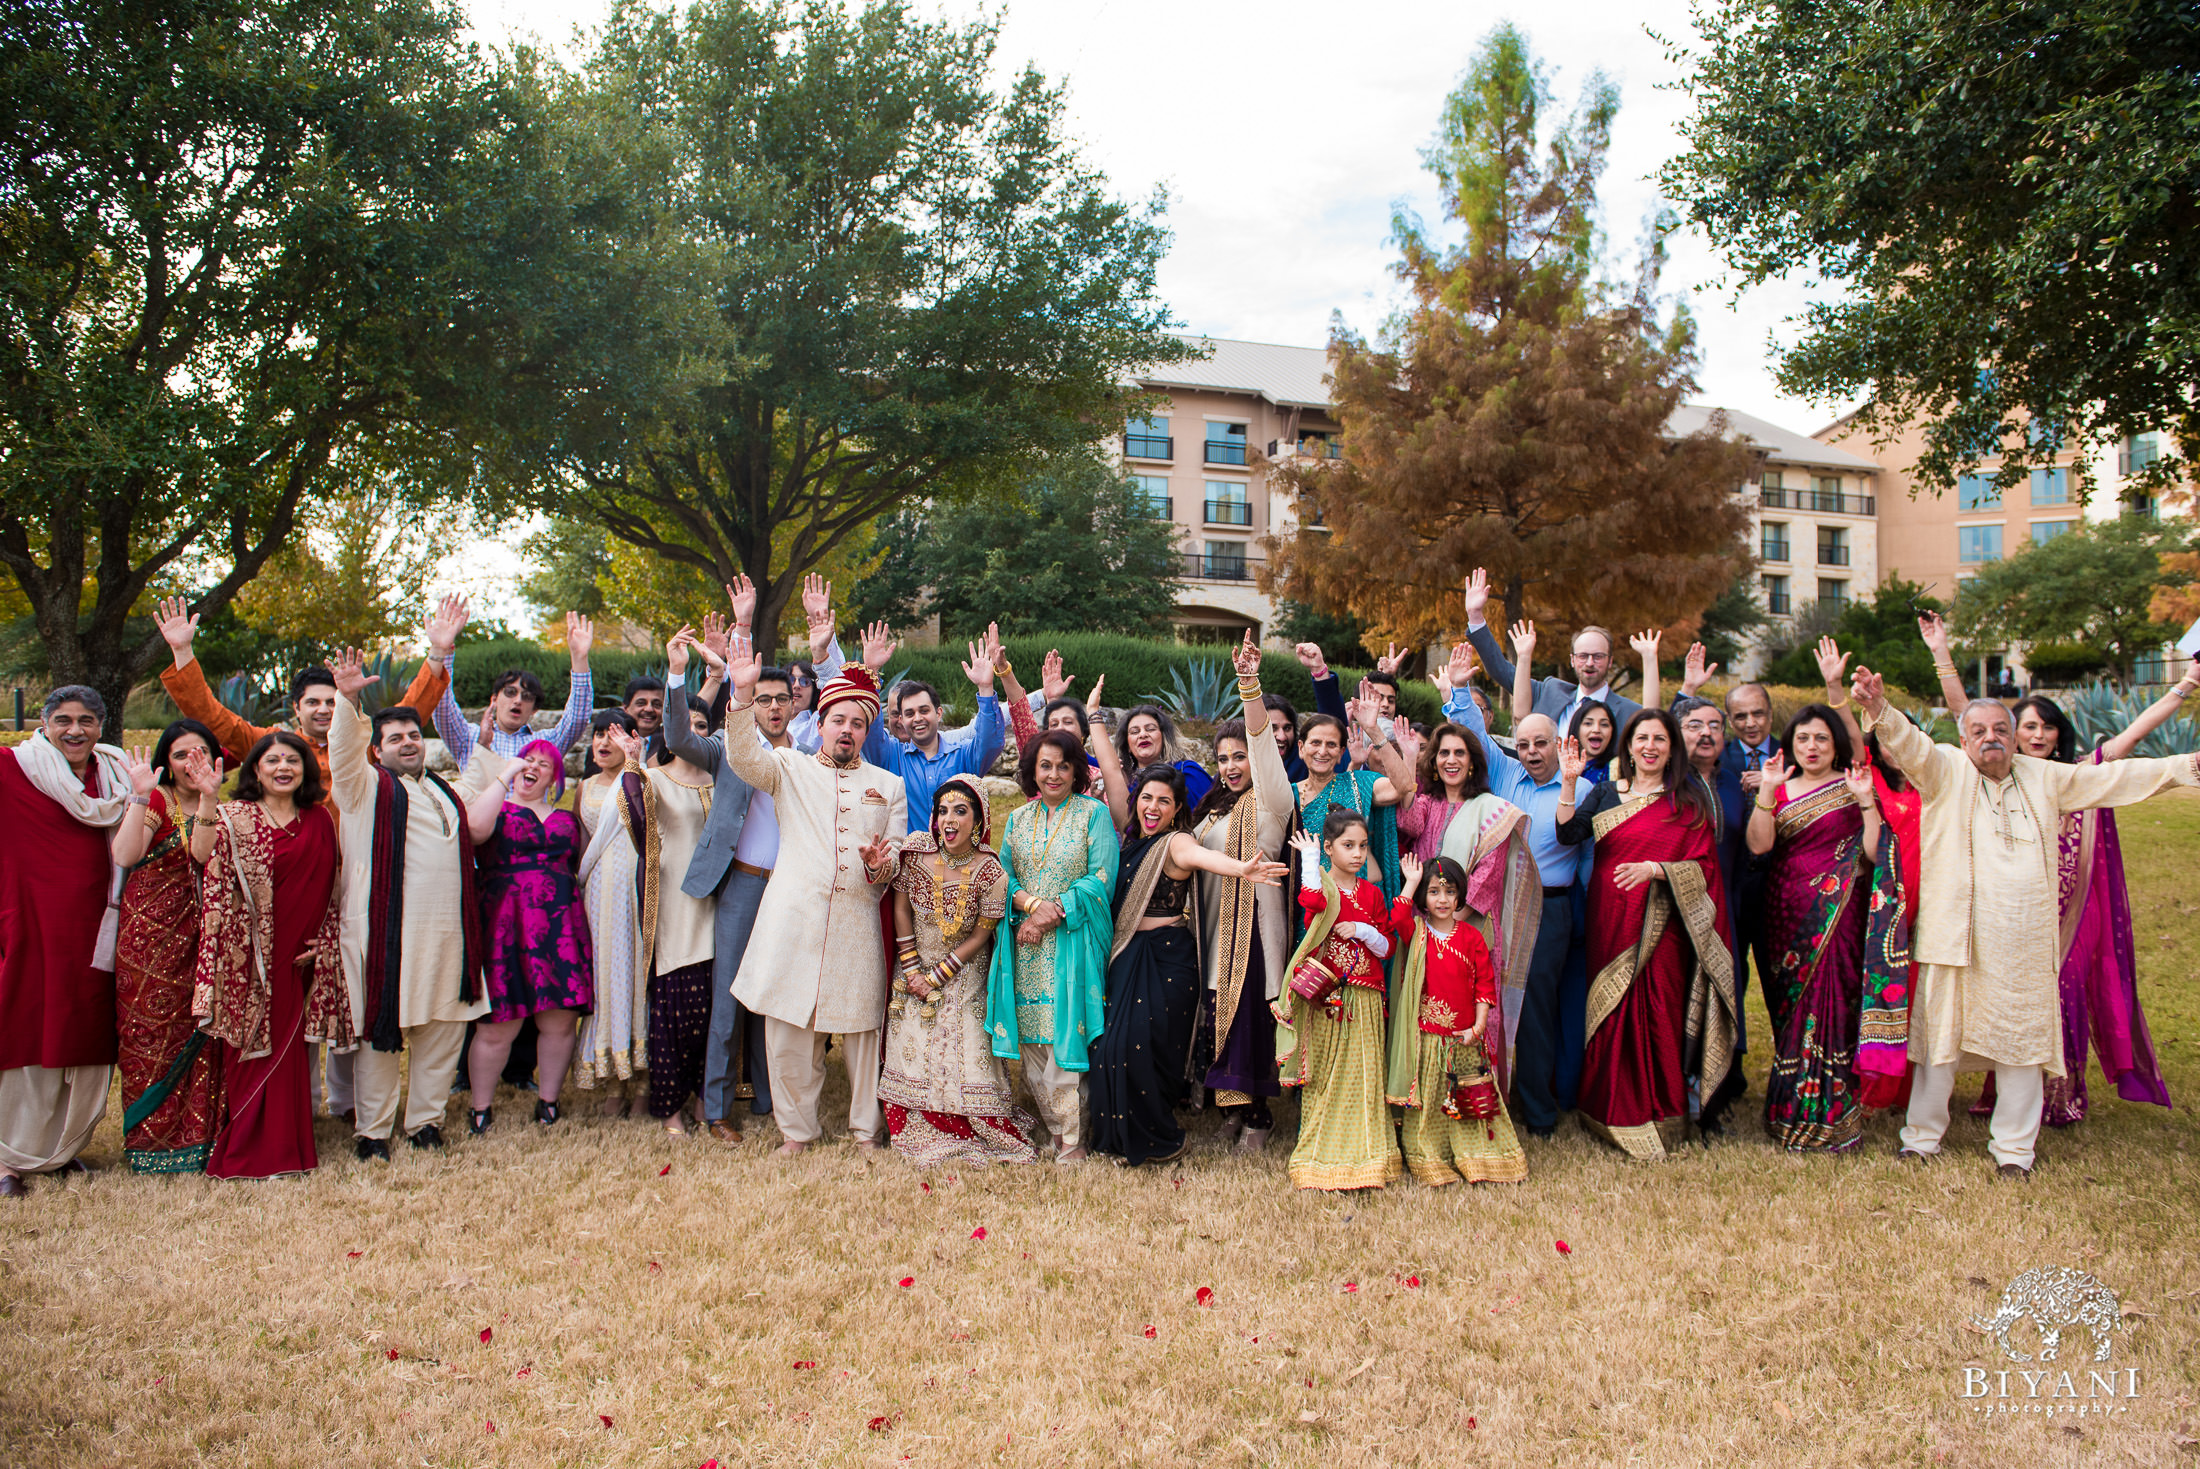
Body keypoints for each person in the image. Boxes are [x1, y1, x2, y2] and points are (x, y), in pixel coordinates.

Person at [1855, 665, 2200, 1178]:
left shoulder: (2045, 776)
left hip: (2022, 941)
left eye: (2000, 730)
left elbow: (2112, 776)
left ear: (2014, 737)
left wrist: (2183, 766)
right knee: (1939, 1045)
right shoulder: (1945, 769)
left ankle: (2014, 1151)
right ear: (1963, 738)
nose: (1990, 738)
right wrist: (1880, 710)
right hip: (1955, 940)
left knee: (2021, 1046)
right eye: (1979, 731)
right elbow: (1911, 746)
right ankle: (1921, 1139)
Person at [1925, 618, 2195, 1128]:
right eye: (2027, 726)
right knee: (2001, 1000)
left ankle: (2059, 1096)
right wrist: (1940, 651)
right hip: (2008, 913)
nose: (2039, 733)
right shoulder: (1984, 770)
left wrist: (2187, 686)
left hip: (2072, 909)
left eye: (2046, 726)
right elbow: (1967, 715)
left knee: (2061, 995)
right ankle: (1998, 1095)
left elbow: (2132, 752)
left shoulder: (2074, 775)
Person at [723, 654, 908, 1155]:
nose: (847, 730)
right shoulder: (789, 767)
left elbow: (892, 864)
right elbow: (742, 758)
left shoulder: (889, 787)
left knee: (864, 1030)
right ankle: (796, 1132)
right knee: (788, 1029)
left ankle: (867, 1131)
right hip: (794, 920)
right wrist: (741, 697)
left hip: (857, 922)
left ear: (867, 732)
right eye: (839, 720)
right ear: (820, 723)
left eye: (858, 723)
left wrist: (876, 864)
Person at [327, 652, 503, 1159]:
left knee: (444, 1035)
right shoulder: (364, 789)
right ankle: (374, 1132)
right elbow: (343, 752)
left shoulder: (440, 790)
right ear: (377, 750)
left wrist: (485, 747)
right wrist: (347, 698)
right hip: (389, 939)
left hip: (448, 938)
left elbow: (473, 790)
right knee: (380, 1040)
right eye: (395, 738)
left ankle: (425, 1122)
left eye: (412, 735)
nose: (407, 743)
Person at [1555, 708, 1738, 1159]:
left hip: (1665, 925)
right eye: (1642, 738)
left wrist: (1657, 869)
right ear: (1630, 746)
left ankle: (1663, 1111)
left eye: (1660, 738)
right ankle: (1606, 1107)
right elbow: (1567, 834)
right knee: (1611, 1010)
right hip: (1610, 917)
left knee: (1659, 1008)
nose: (1650, 746)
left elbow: (1706, 868)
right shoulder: (1605, 792)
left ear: (1671, 747)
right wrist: (1568, 781)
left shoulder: (1687, 800)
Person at [1087, 759, 1286, 1168]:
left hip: (1165, 959)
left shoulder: (1176, 841)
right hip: (1128, 956)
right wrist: (1095, 722)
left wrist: (1241, 869)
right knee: (1108, 1046)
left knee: (1136, 1046)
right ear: (1136, 801)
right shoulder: (1129, 841)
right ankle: (1115, 1138)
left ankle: (1156, 1136)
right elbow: (1109, 769)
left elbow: (1201, 857)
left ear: (1178, 808)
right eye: (1147, 798)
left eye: (1165, 801)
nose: (1153, 807)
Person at [1438, 640, 1583, 1139]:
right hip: (1497, 908)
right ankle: (1490, 1092)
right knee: (1489, 1005)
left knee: (1536, 1010)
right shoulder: (1506, 774)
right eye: (1523, 745)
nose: (1531, 753)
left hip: (1551, 912)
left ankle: (1538, 1113)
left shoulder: (1580, 788)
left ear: (1561, 745)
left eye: (1541, 744)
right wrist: (1458, 688)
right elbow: (1473, 734)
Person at [192, 730, 352, 1179]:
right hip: (249, 956)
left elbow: (332, 886)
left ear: (306, 770)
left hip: (302, 954)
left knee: (290, 1052)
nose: (284, 767)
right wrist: (207, 799)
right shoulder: (235, 815)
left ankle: (290, 1150)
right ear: (256, 771)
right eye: (272, 760)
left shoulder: (319, 818)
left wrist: (327, 940)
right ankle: (246, 1152)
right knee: (250, 1046)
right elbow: (201, 855)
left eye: (293, 761)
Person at [1745, 708, 1906, 1152]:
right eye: (1802, 739)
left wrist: (1865, 801)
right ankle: (1788, 1108)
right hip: (1784, 912)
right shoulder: (1779, 787)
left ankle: (1835, 1113)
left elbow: (1875, 853)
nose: (1811, 747)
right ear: (1791, 744)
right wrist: (1769, 792)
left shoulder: (1853, 786)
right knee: (1789, 1009)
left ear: (1835, 744)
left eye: (1820, 738)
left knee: (1836, 1002)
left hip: (1840, 914)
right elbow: (1759, 845)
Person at [0, 688, 134, 1197]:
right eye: (62, 720)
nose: (74, 730)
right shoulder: (12, 767)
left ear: (101, 726)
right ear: (43, 723)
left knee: (83, 1039)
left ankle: (59, 1150)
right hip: (29, 926)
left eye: (85, 720)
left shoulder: (118, 776)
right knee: (24, 1037)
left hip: (97, 930)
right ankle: (8, 1158)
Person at [880, 775, 1039, 1166]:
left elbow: (983, 934)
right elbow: (901, 909)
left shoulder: (990, 871)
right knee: (913, 1047)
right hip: (912, 968)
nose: (948, 819)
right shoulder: (916, 855)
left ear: (980, 821)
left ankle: (972, 1125)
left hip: (963, 974)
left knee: (968, 1053)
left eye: (960, 811)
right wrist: (913, 969)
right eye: (943, 811)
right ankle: (915, 1121)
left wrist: (936, 977)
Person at [151, 592, 460, 787]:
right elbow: (212, 717)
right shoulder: (272, 744)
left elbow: (410, 714)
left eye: (331, 701)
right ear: (297, 708)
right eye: (313, 702)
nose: (324, 709)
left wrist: (437, 650)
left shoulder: (364, 744)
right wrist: (182, 652)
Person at [608, 629, 726, 1136]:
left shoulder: (726, 782)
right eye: (688, 723)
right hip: (674, 909)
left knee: (714, 1013)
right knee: (676, 1009)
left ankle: (706, 1099)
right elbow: (637, 829)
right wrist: (634, 769)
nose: (695, 732)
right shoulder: (651, 779)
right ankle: (670, 1107)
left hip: (719, 908)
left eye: (704, 725)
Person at [985, 730, 1120, 1162]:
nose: (1054, 774)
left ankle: (1073, 1139)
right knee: (1032, 1038)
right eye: (1045, 765)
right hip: (1025, 945)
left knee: (1066, 1034)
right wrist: (1030, 907)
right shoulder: (1021, 819)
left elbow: (1102, 877)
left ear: (1077, 769)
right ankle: (1058, 1129)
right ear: (1032, 771)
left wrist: (1052, 913)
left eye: (1064, 765)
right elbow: (1004, 877)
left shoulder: (1093, 814)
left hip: (1071, 943)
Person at [1189, 636, 1297, 1151]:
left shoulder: (1272, 800)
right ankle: (1231, 1112)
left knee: (1249, 1021)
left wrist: (1249, 687)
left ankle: (1258, 1119)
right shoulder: (1212, 810)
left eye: (1240, 757)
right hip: (1212, 931)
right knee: (1219, 1021)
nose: (1232, 766)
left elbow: (1261, 743)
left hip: (1254, 929)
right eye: (1223, 758)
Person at [461, 725, 593, 1134]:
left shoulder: (566, 818)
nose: (533, 767)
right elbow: (475, 831)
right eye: (528, 760)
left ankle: (549, 1101)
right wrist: (505, 774)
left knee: (558, 1020)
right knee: (497, 1024)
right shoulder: (496, 806)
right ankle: (481, 1107)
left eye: (544, 764)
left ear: (556, 778)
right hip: (505, 925)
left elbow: (585, 865)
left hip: (561, 925)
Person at [111, 721, 224, 1173]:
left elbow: (201, 855)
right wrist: (139, 794)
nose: (191, 761)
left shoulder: (225, 806)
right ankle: (150, 1145)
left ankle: (199, 1139)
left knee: (199, 1027)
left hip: (203, 935)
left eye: (201, 752)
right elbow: (124, 855)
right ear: (167, 763)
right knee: (151, 1033)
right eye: (181, 754)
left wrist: (210, 798)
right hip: (150, 939)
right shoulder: (158, 800)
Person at [1275, 812, 1404, 1190]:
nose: (1358, 854)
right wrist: (1311, 863)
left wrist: (1364, 930)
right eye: (1348, 846)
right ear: (1330, 848)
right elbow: (1311, 902)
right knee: (1328, 1073)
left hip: (1365, 995)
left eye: (1363, 846)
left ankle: (1368, 1152)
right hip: (1330, 997)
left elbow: (1388, 946)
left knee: (1365, 1072)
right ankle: (1322, 1151)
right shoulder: (1325, 887)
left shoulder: (1372, 893)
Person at [1387, 851, 1526, 1184]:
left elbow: (1485, 986)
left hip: (1464, 1038)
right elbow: (1397, 918)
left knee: (1467, 1100)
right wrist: (1411, 882)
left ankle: (1474, 1155)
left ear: (1461, 894)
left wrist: (1478, 1027)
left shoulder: (1471, 937)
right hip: (1427, 1038)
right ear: (1424, 897)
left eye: (1450, 892)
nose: (1443, 899)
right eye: (1434, 892)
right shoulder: (1417, 932)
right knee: (1431, 1102)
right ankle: (1428, 1154)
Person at [574, 710, 647, 1110]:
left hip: (635, 886)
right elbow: (584, 844)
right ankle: (613, 1077)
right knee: (605, 974)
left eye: (613, 735)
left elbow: (649, 830)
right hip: (597, 892)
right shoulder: (584, 787)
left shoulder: (641, 779)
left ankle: (642, 1082)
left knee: (635, 972)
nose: (604, 742)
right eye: (599, 734)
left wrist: (635, 766)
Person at [1462, 569, 1643, 730]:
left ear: (1610, 661)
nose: (1590, 662)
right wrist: (1475, 617)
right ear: (1572, 660)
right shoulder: (1549, 692)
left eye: (1598, 656)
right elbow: (1501, 670)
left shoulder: (1629, 712)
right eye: (1583, 656)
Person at [859, 621, 1005, 820]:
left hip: (956, 851)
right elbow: (870, 732)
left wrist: (986, 688)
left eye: (924, 710)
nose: (917, 718)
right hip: (906, 850)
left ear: (938, 713)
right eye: (909, 713)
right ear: (901, 719)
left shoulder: (962, 756)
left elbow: (990, 741)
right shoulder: (892, 757)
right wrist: (871, 672)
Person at [1290, 694, 1415, 922]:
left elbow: (1403, 786)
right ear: (1301, 747)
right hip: (1304, 907)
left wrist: (1373, 730)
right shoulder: (1287, 796)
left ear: (1340, 753)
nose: (1322, 751)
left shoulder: (1357, 782)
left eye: (1331, 745)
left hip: (1356, 910)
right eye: (1315, 743)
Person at [434, 610, 597, 771]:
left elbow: (577, 718)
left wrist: (579, 659)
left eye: (527, 697)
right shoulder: (469, 737)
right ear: (495, 699)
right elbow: (442, 708)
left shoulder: (545, 743)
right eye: (510, 692)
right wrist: (442, 651)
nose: (518, 700)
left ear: (534, 709)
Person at [1396, 723, 1489, 863]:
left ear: (1472, 762)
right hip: (1423, 884)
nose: (1451, 760)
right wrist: (1410, 758)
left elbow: (1489, 869)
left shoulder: (1486, 809)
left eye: (1459, 753)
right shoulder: (1428, 803)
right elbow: (1410, 825)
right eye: (1444, 753)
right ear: (1435, 762)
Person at [1116, 702, 1213, 809]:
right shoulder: (1124, 782)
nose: (1143, 734)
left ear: (1164, 736)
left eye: (1151, 729)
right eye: (1134, 732)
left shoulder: (1188, 773)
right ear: (1128, 745)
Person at [621, 675, 667, 762]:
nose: (649, 709)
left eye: (657, 704)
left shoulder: (670, 745)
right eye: (641, 703)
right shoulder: (609, 745)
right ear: (625, 708)